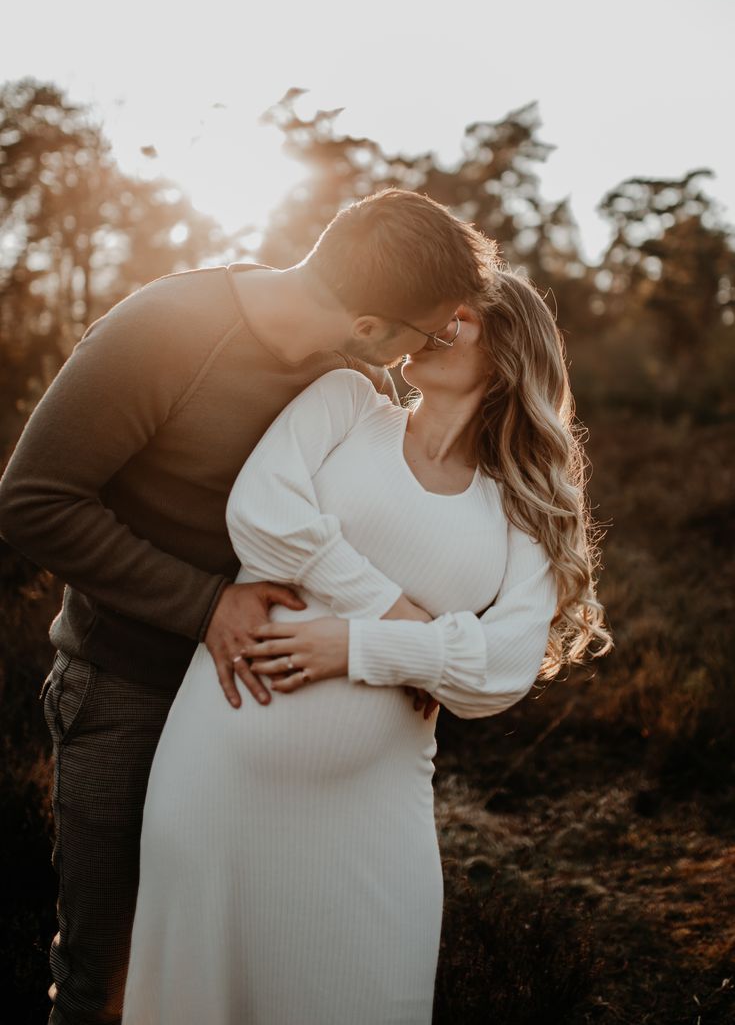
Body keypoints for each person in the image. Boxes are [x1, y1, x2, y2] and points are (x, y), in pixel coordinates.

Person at [0, 188, 497, 1025]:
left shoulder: (354, 373)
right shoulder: (162, 330)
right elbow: (34, 499)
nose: (433, 348)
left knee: (225, 969)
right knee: (111, 978)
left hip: (254, 711)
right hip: (128, 689)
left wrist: (400, 640)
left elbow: (355, 522)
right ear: (374, 323)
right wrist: (206, 605)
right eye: (427, 330)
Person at [121, 270, 612, 1025]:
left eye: (458, 319)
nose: (430, 324)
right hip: (219, 779)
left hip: (374, 815)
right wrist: (401, 618)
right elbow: (261, 515)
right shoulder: (347, 402)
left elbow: (503, 666)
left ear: (508, 348)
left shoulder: (522, 500)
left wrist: (361, 646)